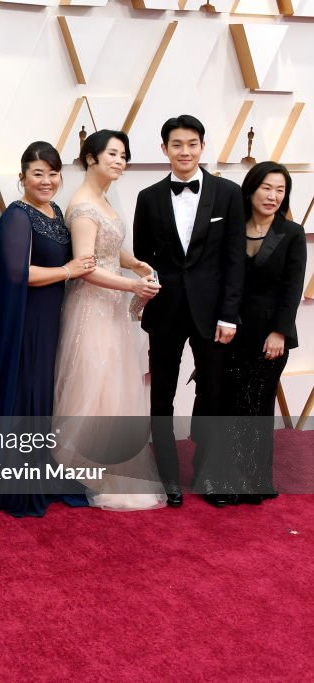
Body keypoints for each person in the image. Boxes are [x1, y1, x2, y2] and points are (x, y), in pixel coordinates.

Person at [0, 141, 95, 518]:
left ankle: (37, 469)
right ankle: (13, 482)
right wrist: (68, 271)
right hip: (25, 321)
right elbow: (18, 273)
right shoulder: (16, 216)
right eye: (37, 173)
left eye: (53, 173)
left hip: (50, 318)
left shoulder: (56, 211)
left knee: (41, 394)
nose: (46, 180)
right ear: (22, 177)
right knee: (24, 392)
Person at [132, 115, 246, 507]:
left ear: (202, 146)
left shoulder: (229, 194)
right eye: (176, 144)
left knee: (214, 395)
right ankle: (167, 476)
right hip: (165, 312)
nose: (185, 151)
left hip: (213, 315)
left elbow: (234, 260)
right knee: (160, 397)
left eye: (192, 143)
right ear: (164, 149)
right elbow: (144, 258)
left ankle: (209, 474)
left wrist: (229, 315)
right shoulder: (147, 197)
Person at [52, 130, 166, 511]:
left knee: (113, 387)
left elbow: (112, 248)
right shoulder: (83, 204)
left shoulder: (102, 199)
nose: (120, 161)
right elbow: (85, 267)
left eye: (123, 156)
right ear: (90, 158)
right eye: (112, 154)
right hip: (90, 307)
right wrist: (131, 287)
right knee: (93, 384)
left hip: (111, 306)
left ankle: (107, 465)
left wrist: (135, 265)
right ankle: (85, 468)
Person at [221, 162, 305, 504]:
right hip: (231, 332)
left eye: (280, 190)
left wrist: (279, 333)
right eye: (266, 188)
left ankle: (254, 478)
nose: (272, 196)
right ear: (251, 189)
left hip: (270, 336)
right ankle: (227, 477)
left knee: (257, 404)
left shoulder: (292, 232)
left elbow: (292, 288)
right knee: (230, 404)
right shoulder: (231, 228)